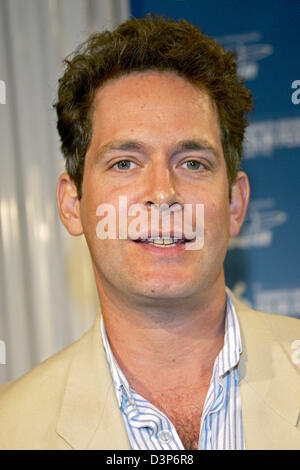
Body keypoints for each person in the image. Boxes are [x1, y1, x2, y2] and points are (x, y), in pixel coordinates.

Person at [0, 14, 299, 451]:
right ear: (71, 205)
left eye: (192, 163)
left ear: (235, 204)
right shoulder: (11, 429)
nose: (163, 193)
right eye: (125, 163)